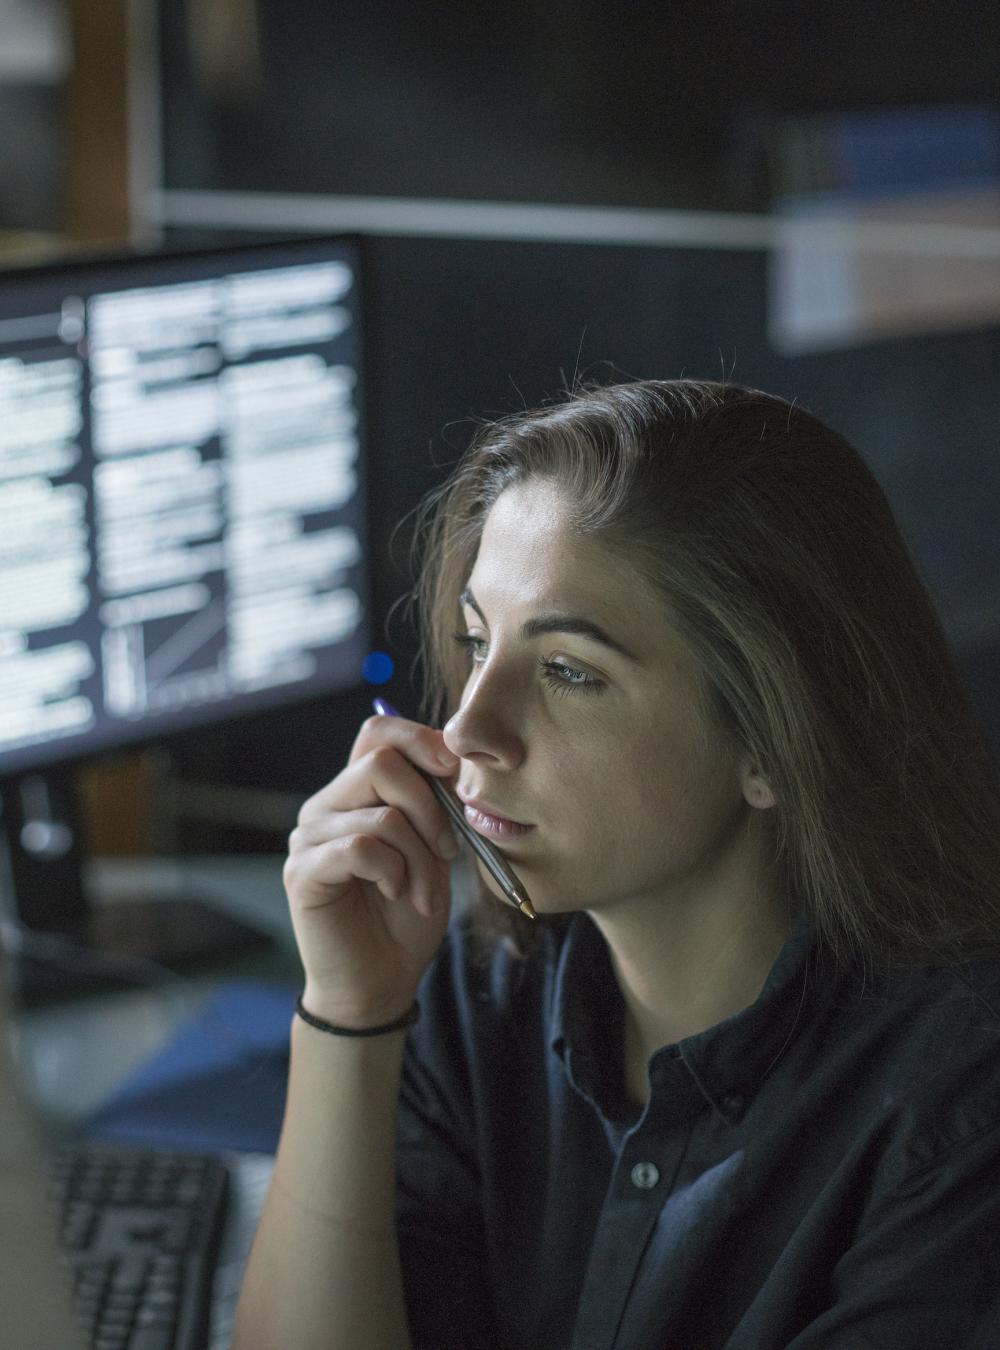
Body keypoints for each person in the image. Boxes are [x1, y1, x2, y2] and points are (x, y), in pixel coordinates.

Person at [232, 379, 1000, 1350]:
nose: (469, 728)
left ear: (773, 738)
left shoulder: (959, 1113)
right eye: (476, 642)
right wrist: (348, 1013)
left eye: (568, 673)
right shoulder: (472, 991)